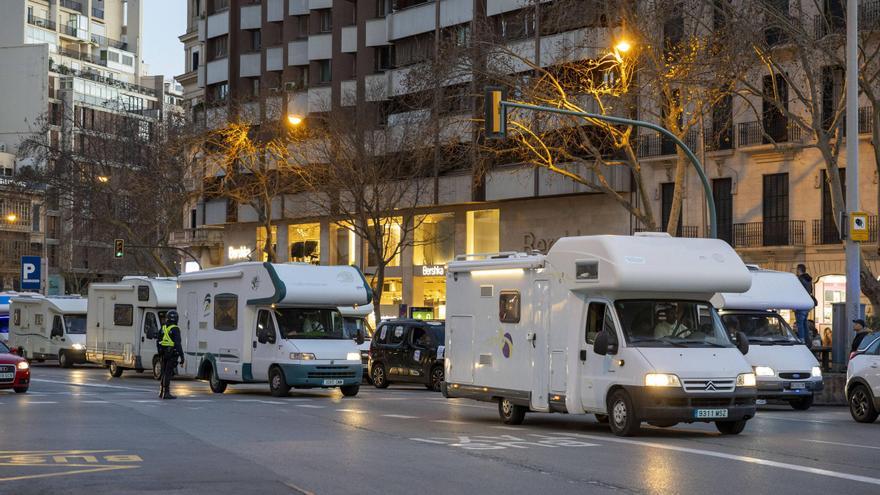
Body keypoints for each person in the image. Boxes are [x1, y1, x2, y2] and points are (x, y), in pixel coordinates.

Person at [157, 310, 184, 400]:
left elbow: (158, 341)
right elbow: (178, 344)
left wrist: (160, 352)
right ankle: (166, 393)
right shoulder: (175, 329)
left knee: (163, 372)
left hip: (163, 353)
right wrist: (182, 356)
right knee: (168, 373)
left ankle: (161, 392)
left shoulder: (163, 328)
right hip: (172, 354)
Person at [795, 264, 814, 342]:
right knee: (804, 323)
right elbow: (811, 291)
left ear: (799, 270)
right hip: (807, 304)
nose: (796, 271)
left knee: (800, 324)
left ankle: (802, 340)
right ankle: (807, 340)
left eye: (797, 270)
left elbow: (797, 292)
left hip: (801, 304)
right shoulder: (808, 280)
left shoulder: (800, 279)